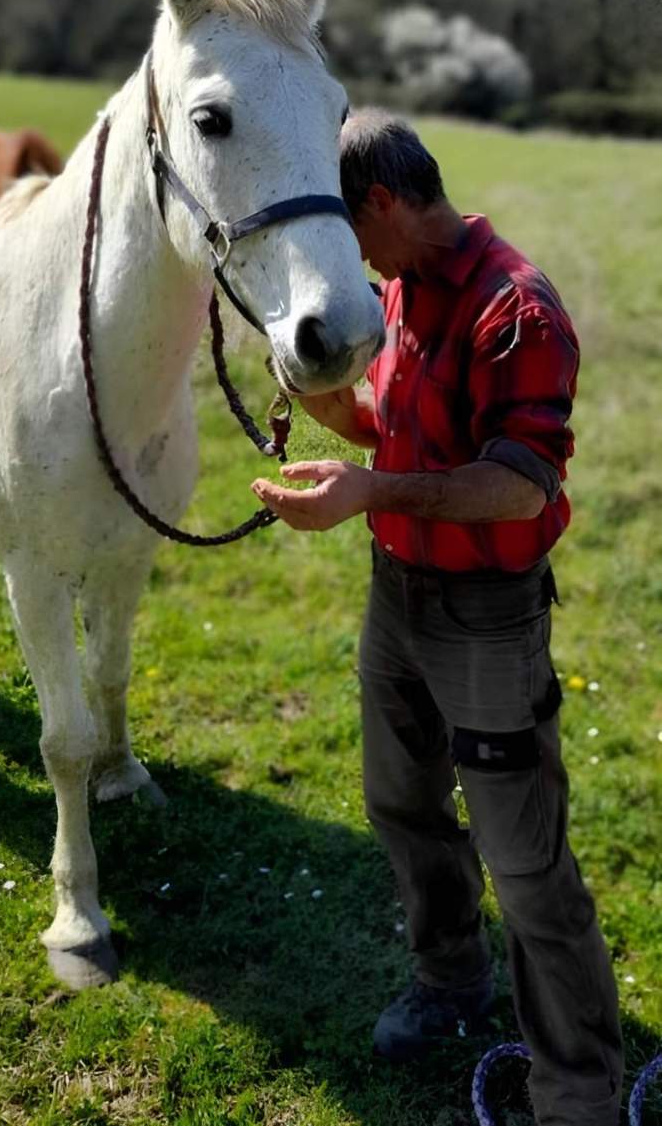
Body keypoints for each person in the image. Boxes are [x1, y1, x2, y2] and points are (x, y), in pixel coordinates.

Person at [252, 110, 623, 1126]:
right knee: (402, 802)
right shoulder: (402, 290)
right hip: (398, 600)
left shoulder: (518, 309)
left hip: (487, 621)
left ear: (381, 202)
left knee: (526, 863)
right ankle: (452, 981)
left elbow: (517, 485)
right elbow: (386, 419)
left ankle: (580, 1084)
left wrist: (370, 493)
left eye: (347, 225)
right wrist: (308, 383)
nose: (347, 254)